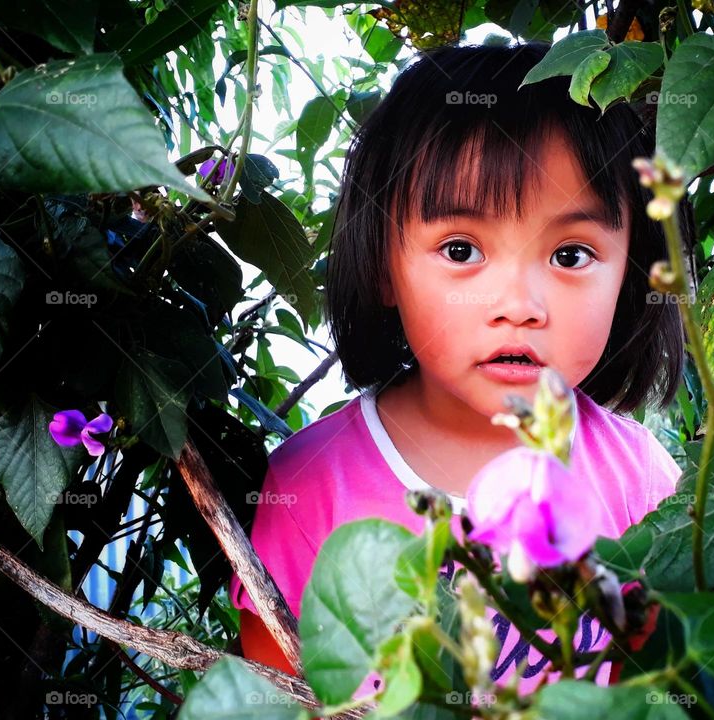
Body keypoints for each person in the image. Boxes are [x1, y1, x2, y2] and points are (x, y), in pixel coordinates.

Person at [231, 40, 689, 703]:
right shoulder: (306, 490)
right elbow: (275, 699)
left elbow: (646, 690)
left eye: (570, 254)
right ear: (385, 264)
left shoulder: (643, 483)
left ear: (632, 272)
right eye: (460, 248)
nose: (519, 307)